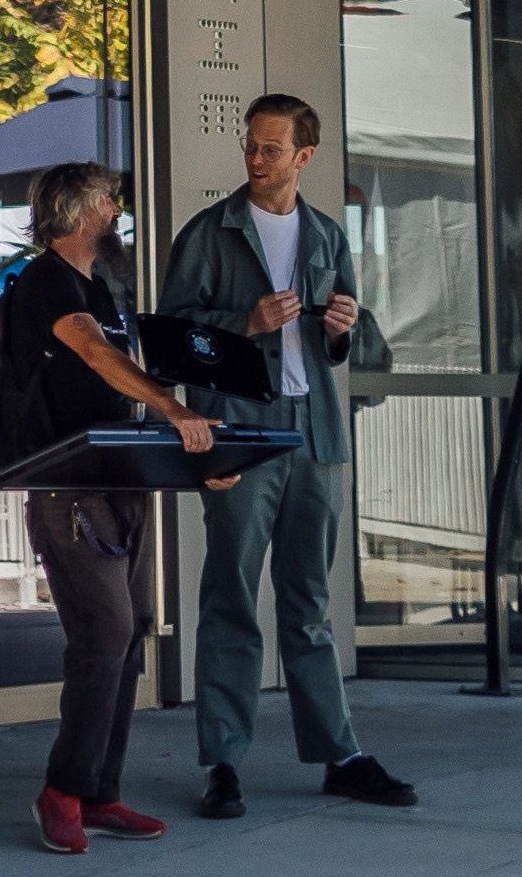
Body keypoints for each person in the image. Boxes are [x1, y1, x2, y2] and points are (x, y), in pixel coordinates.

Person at [159, 89, 420, 820]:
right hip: (239, 428)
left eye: (270, 147)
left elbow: (347, 347)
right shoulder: (209, 231)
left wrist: (340, 327)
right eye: (250, 143)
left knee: (309, 602)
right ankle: (221, 761)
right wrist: (242, 321)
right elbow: (172, 337)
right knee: (230, 598)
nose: (254, 156)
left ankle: (340, 754)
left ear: (304, 156)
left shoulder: (327, 234)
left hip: (315, 431)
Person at [0, 158, 215, 855]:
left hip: (119, 483)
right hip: (69, 491)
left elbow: (117, 393)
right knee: (103, 632)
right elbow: (90, 353)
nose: (117, 209)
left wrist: (203, 461)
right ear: (82, 206)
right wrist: (173, 404)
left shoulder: (103, 285)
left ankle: (97, 790)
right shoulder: (46, 282)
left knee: (132, 628)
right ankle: (60, 790)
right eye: (109, 199)